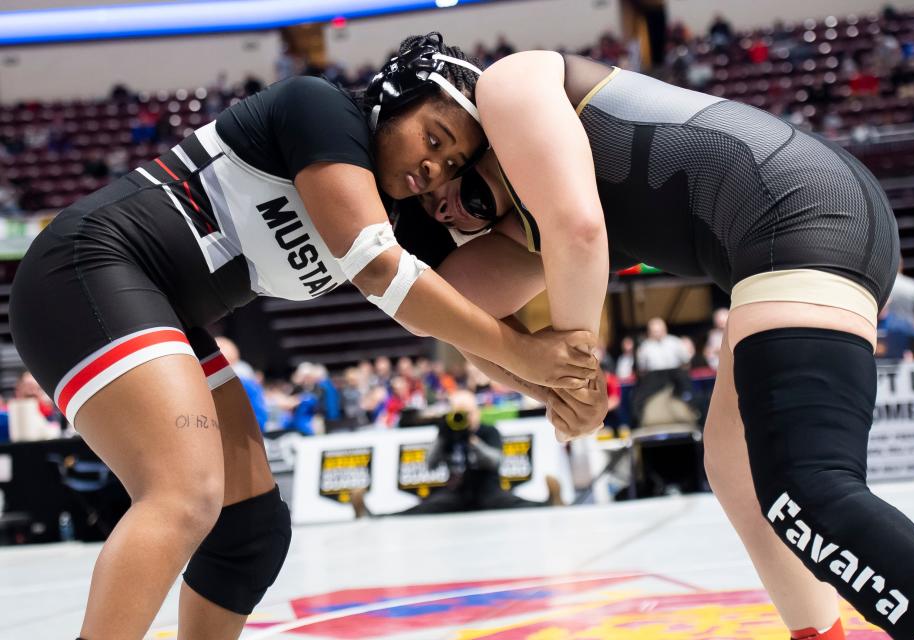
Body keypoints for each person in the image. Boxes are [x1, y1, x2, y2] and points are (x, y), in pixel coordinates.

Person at [9, 33, 597, 640]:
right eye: (434, 138)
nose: (434, 169)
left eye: (451, 165)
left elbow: (469, 321)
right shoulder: (320, 107)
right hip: (85, 268)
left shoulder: (399, 211)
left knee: (250, 529)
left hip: (152, 302)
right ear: (395, 97)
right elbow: (378, 271)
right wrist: (528, 356)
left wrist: (549, 386)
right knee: (185, 494)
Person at [389, 42, 914, 640]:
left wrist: (576, 375)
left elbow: (580, 233)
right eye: (439, 212)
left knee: (808, 485)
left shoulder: (511, 84)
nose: (444, 192)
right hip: (790, 229)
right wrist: (550, 387)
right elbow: (445, 317)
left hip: (802, 213)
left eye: (448, 161)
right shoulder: (525, 237)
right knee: (735, 467)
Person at [351, 389, 563, 516]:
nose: (464, 418)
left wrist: (473, 441)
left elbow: (496, 462)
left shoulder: (488, 431)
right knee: (421, 510)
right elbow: (429, 464)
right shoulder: (447, 432)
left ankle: (551, 502)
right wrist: (443, 437)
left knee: (517, 504)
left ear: (477, 412)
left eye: (468, 413)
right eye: (458, 414)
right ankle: (372, 515)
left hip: (487, 489)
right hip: (456, 490)